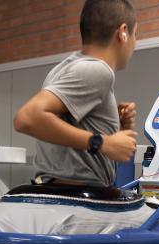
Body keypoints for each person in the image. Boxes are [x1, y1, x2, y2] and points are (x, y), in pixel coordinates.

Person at [13, 0, 139, 187]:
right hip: (76, 195)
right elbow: (27, 118)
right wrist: (103, 142)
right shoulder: (97, 71)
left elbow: (68, 136)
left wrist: (114, 130)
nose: (135, 43)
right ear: (122, 32)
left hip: (57, 188)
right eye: (135, 34)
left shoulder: (64, 68)